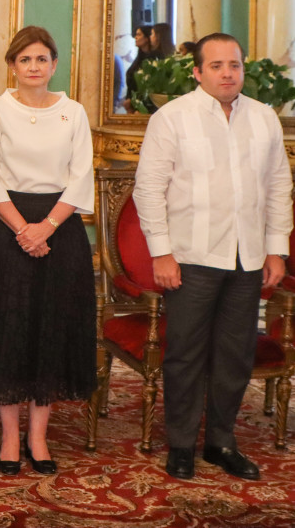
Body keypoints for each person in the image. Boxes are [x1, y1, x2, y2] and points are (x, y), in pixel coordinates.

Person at [133, 33, 291, 481]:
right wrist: (162, 253)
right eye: (217, 66)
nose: (227, 74)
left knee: (235, 356)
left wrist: (276, 248)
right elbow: (149, 190)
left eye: (234, 65)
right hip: (190, 257)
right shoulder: (173, 118)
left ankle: (221, 442)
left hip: (247, 258)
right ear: (198, 71)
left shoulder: (264, 118)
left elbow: (278, 186)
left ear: (243, 69)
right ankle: (182, 445)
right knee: (185, 354)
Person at [0, 26, 95, 476]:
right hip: (6, 228)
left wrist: (46, 227)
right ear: (12, 65)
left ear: (54, 64)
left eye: (42, 59)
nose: (34, 66)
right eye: (25, 59)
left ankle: (39, 436)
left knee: (50, 329)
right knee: (8, 332)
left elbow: (81, 177)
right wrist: (24, 231)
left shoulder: (73, 112)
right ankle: (10, 436)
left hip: (60, 230)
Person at [123, 25, 154, 112]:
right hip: (132, 105)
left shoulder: (152, 60)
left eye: (139, 34)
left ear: (147, 38)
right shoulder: (139, 58)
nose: (135, 37)